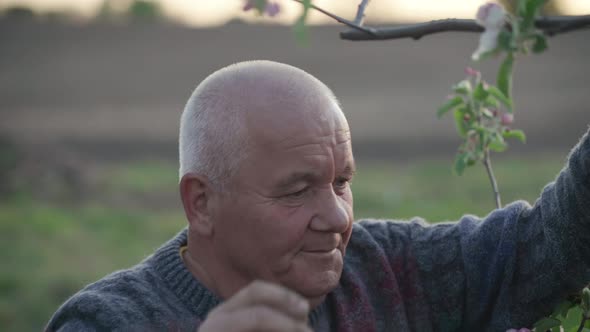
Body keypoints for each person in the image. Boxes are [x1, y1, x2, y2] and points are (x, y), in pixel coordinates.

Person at [46, 60, 590, 332]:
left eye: (341, 183)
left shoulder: (384, 268)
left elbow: (539, 246)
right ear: (202, 204)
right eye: (296, 189)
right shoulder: (110, 322)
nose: (336, 217)